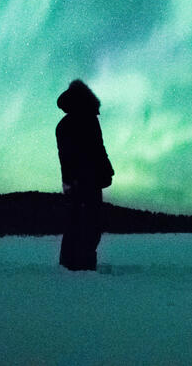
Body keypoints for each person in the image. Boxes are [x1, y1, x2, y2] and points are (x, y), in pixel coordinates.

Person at [56, 80, 114, 271]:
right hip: (86, 180)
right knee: (89, 223)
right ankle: (82, 265)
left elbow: (95, 149)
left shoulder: (65, 124)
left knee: (77, 222)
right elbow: (97, 149)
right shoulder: (86, 120)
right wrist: (104, 171)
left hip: (76, 181)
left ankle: (71, 264)